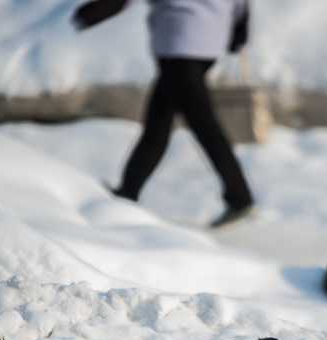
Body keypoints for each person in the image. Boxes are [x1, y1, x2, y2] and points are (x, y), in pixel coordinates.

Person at [73, 0, 256, 227]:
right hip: (209, 43)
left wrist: (90, 13)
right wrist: (238, 37)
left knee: (201, 123)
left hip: (180, 42)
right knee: (159, 119)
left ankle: (240, 197)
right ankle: (128, 191)